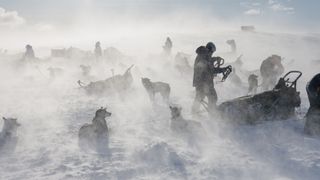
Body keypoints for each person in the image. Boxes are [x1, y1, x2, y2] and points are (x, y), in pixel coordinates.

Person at [191, 42, 231, 114]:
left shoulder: (202, 56)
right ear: (210, 50)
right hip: (204, 83)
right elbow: (211, 70)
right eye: (212, 52)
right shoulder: (203, 58)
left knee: (199, 98)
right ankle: (212, 113)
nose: (212, 54)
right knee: (212, 97)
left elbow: (208, 61)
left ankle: (194, 113)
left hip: (201, 83)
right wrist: (223, 69)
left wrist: (216, 58)